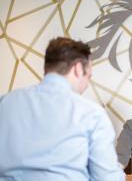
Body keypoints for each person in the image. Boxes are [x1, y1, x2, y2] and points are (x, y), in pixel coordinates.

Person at [0, 37, 125, 181]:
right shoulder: (92, 114)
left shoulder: (5, 103)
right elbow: (106, 178)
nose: (86, 85)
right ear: (78, 69)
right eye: (88, 76)